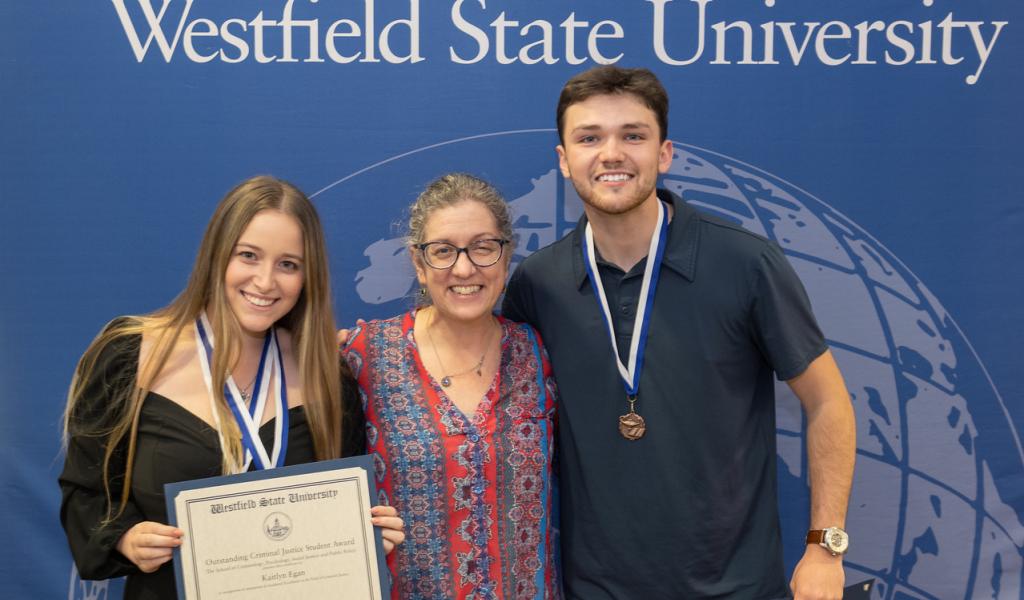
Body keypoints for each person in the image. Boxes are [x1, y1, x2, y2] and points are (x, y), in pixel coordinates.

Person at [501, 66, 856, 600]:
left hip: (736, 588)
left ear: (664, 154)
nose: (612, 153)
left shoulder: (745, 263)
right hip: (595, 589)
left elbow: (829, 401)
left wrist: (824, 548)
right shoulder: (538, 283)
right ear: (563, 160)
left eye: (633, 136)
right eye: (589, 137)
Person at [59, 175, 404, 599]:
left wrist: (366, 538)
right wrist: (124, 538)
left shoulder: (328, 376)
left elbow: (338, 521)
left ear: (307, 275)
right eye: (248, 256)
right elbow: (85, 492)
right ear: (216, 256)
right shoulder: (129, 356)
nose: (265, 281)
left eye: (288, 264)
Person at [342, 173, 559, 599]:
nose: (464, 268)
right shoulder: (363, 356)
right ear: (419, 265)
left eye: (483, 247)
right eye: (443, 251)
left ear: (506, 255)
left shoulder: (539, 352)